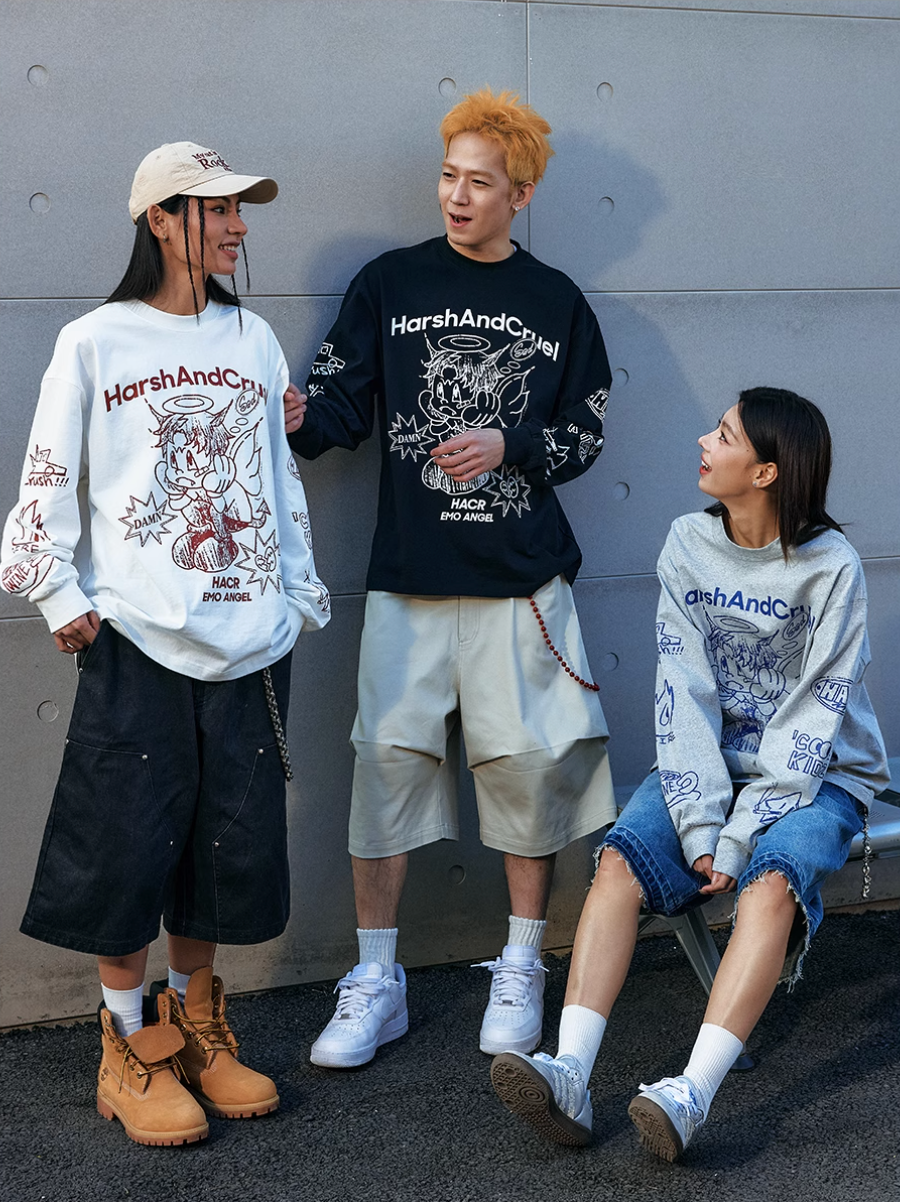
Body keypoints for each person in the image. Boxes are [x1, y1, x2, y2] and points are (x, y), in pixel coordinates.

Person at [0, 142, 330, 1146]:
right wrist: (54, 587)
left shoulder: (253, 338)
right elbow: (46, 475)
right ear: (160, 219)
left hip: (249, 637)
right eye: (217, 210)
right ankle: (126, 1044)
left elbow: (275, 475)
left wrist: (296, 592)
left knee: (224, 846)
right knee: (125, 842)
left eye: (239, 210)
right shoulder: (94, 341)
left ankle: (196, 1029)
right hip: (141, 636)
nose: (237, 226)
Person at [286, 89, 617, 1068]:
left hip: (521, 583)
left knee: (528, 768)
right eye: (448, 176)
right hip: (410, 581)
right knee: (384, 766)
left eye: (479, 182)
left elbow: (586, 432)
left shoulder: (558, 302)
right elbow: (338, 409)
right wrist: (297, 416)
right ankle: (376, 979)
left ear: (520, 194)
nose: (458, 196)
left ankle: (521, 961)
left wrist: (512, 442)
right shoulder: (389, 283)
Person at [490, 387, 888, 1159]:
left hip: (822, 773)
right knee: (620, 862)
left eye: (725, 434)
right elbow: (684, 693)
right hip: (707, 762)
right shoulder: (687, 543)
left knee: (770, 883)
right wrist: (702, 824)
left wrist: (735, 841)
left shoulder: (831, 567)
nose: (705, 440)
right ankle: (569, 1073)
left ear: (766, 472)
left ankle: (692, 1094)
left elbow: (814, 717)